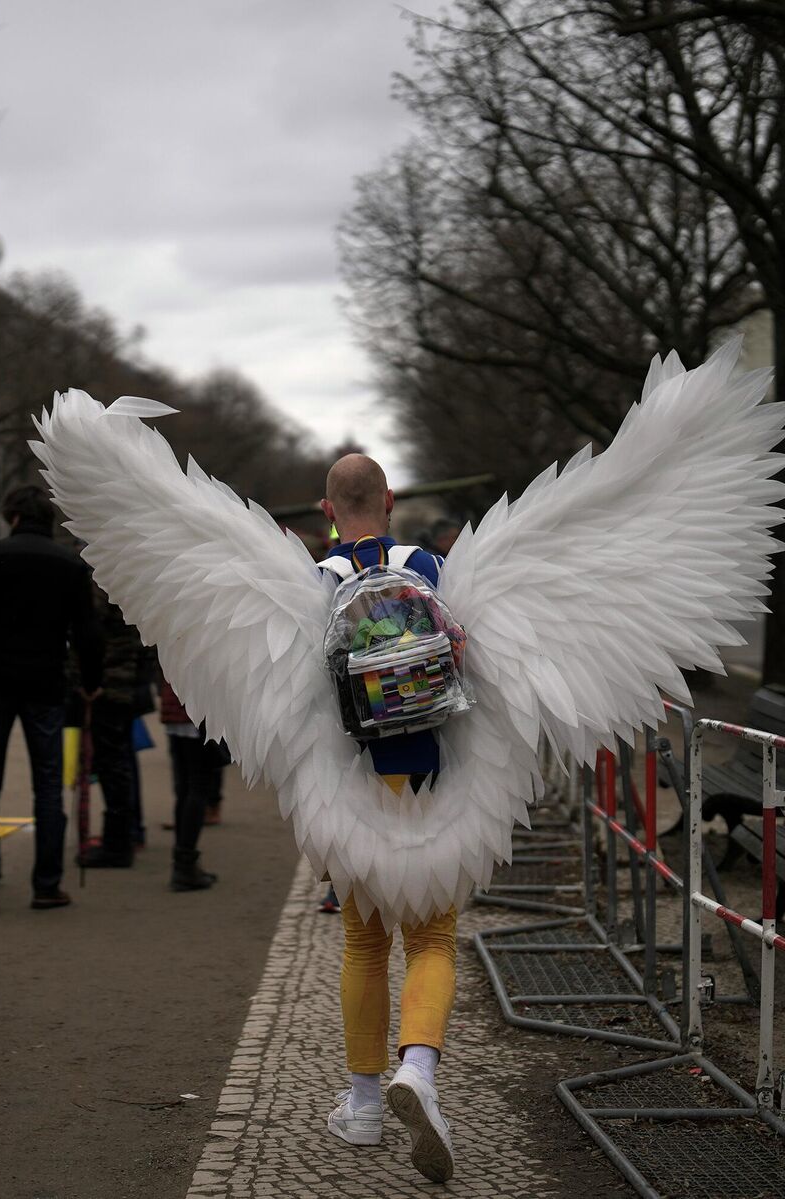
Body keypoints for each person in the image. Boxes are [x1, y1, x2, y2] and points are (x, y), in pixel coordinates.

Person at [316, 454, 455, 1183]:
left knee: (363, 944)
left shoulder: (318, 581)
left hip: (354, 782)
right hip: (427, 769)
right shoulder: (428, 564)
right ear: (391, 500)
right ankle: (422, 1072)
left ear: (327, 510)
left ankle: (365, 1105)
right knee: (432, 936)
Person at [0, 485, 102, 913]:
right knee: (48, 785)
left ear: (12, 516)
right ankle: (47, 884)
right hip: (46, 681)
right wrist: (91, 680)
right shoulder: (70, 565)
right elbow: (86, 632)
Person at [69, 583, 155, 869]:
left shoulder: (102, 579)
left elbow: (89, 629)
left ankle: (118, 843)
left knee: (112, 763)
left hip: (108, 683)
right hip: (126, 678)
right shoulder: (126, 576)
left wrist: (87, 679)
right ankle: (127, 834)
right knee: (120, 761)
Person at [156, 678, 220, 891]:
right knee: (198, 785)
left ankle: (183, 861)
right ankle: (185, 863)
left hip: (173, 704)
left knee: (185, 787)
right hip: (195, 705)